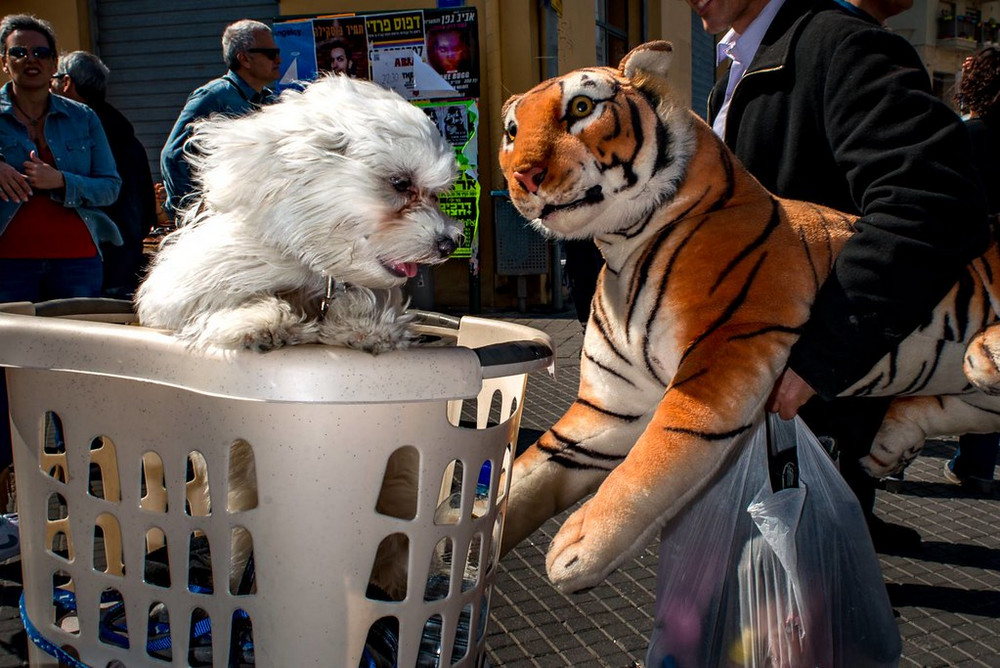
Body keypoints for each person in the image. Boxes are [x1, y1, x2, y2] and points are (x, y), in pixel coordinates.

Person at [690, 0, 990, 552]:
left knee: (801, 604)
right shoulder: (737, 61)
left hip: (811, 397)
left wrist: (818, 358)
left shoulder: (838, 44)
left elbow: (931, 203)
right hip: (764, 384)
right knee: (766, 604)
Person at [0, 14, 122, 562]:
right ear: (5, 61)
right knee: (11, 384)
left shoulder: (83, 119)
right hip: (10, 268)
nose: (31, 61)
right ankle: (18, 505)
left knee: (79, 380)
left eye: (41, 53)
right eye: (19, 52)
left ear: (55, 64)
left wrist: (60, 181)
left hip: (77, 262)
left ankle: (85, 499)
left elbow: (110, 188)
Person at [52, 50, 157, 299]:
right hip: (124, 250)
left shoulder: (81, 130)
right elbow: (144, 198)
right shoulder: (122, 127)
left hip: (95, 255)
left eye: (53, 78)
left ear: (66, 83)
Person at [945, 46, 1000, 494]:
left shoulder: (965, 136)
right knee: (994, 364)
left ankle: (890, 460)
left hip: (966, 268)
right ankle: (977, 466)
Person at [160, 19, 280, 219]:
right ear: (244, 59)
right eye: (270, 54)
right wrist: (191, 214)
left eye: (278, 53)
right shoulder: (213, 98)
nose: (278, 60)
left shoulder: (271, 102)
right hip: (223, 219)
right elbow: (173, 154)